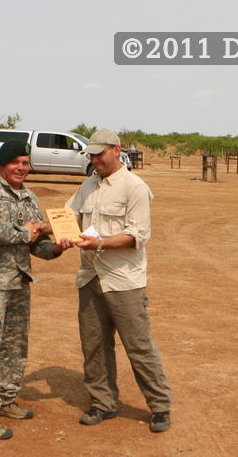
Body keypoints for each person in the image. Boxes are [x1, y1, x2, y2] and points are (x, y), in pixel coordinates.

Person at [0, 139, 73, 440]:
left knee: (14, 345)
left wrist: (56, 248)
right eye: (16, 163)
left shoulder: (28, 197)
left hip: (19, 282)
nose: (21, 168)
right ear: (1, 164)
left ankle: (5, 400)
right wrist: (28, 231)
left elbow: (35, 244)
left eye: (25, 163)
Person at [65, 129, 172, 433]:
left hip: (124, 281)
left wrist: (98, 244)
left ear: (116, 150)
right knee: (94, 345)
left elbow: (136, 236)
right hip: (90, 278)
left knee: (138, 346)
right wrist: (39, 227)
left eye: (99, 154)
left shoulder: (134, 187)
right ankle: (103, 402)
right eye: (91, 155)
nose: (94, 160)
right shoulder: (88, 185)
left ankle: (160, 405)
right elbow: (67, 216)